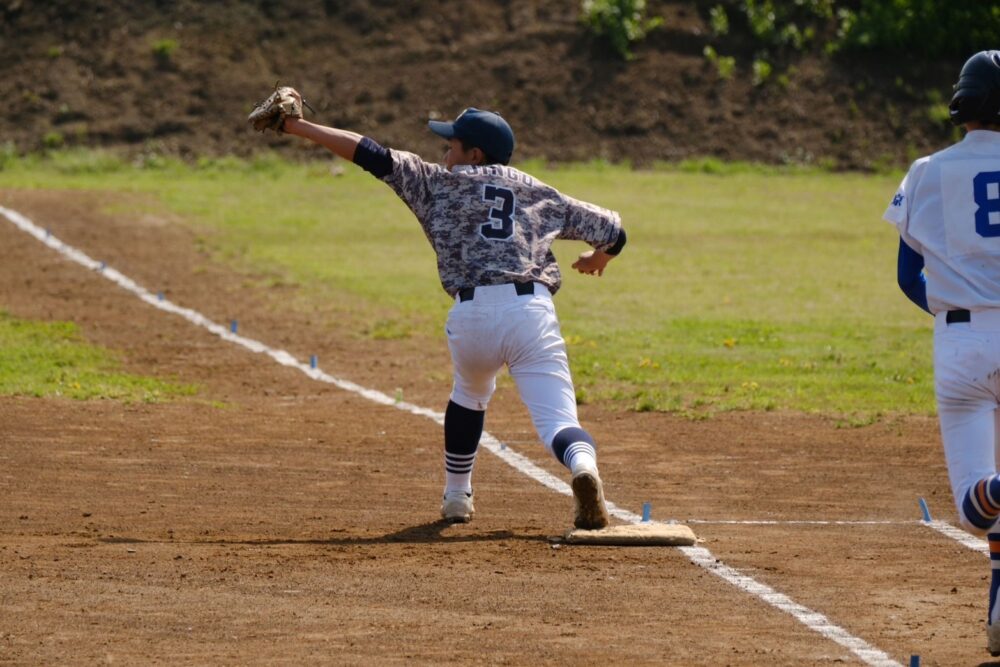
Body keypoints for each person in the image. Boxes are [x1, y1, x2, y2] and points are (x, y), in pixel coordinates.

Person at [277, 100, 626, 530]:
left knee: (470, 395)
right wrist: (598, 258)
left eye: (452, 146)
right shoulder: (539, 192)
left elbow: (367, 151)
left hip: (473, 314)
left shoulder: (436, 183)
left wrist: (297, 126)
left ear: (474, 155)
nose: (445, 154)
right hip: (530, 311)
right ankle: (583, 468)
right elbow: (615, 231)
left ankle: (457, 495)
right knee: (558, 420)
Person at [883, 50, 1000, 656]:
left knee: (976, 510)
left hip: (960, 343)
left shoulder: (927, 171)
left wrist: (959, 309)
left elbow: (909, 277)